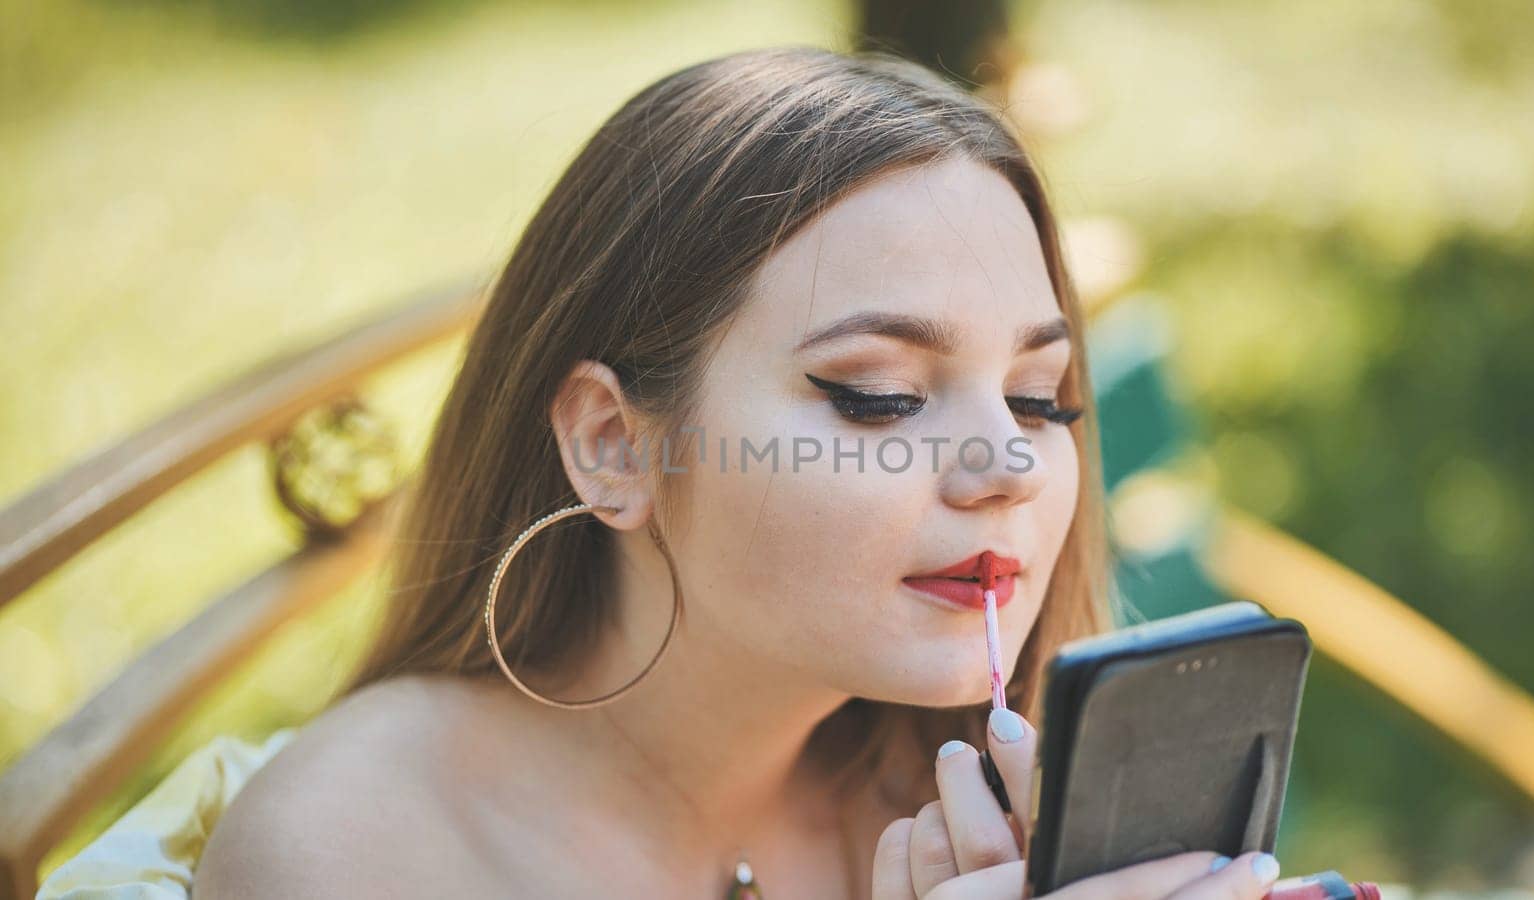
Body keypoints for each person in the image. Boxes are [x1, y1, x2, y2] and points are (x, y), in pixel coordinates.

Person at [187, 45, 1282, 899]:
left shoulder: (975, 813)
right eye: (879, 395)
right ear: (614, 444)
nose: (1007, 465)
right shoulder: (354, 856)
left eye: (1039, 398)